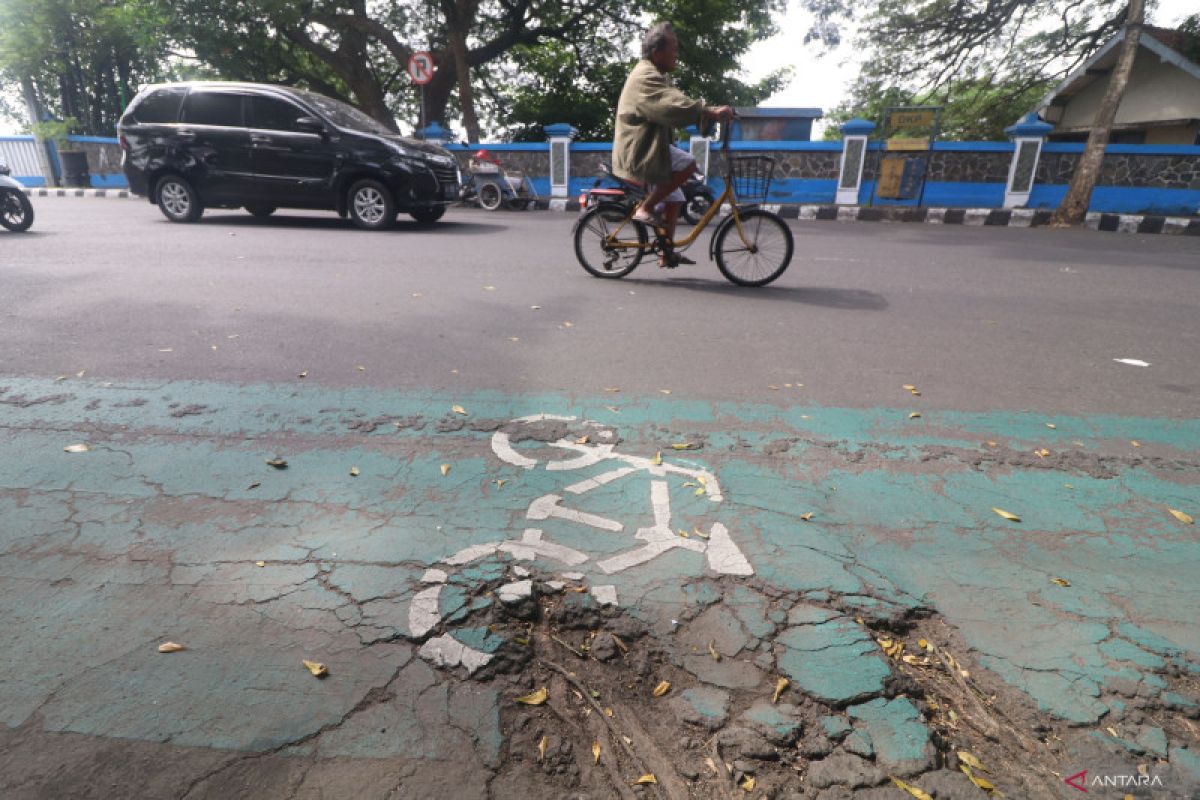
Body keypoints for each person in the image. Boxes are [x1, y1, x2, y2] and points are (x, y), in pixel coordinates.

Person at [613, 22, 733, 267]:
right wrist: (708, 111)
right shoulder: (645, 75)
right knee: (688, 163)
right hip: (640, 149)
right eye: (673, 49)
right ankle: (644, 208)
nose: (677, 54)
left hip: (649, 147)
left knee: (675, 200)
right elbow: (670, 105)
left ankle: (665, 254)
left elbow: (676, 102)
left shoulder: (658, 75)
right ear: (657, 53)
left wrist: (708, 115)